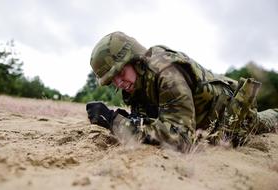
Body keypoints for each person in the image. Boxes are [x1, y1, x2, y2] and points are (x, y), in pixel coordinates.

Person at [86, 31, 278, 151]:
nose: (119, 82)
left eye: (120, 72)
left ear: (134, 60)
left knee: (265, 122)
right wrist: (126, 120)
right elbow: (153, 122)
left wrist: (116, 122)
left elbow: (181, 138)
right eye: (112, 79)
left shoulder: (166, 73)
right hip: (201, 123)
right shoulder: (137, 82)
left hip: (232, 117)